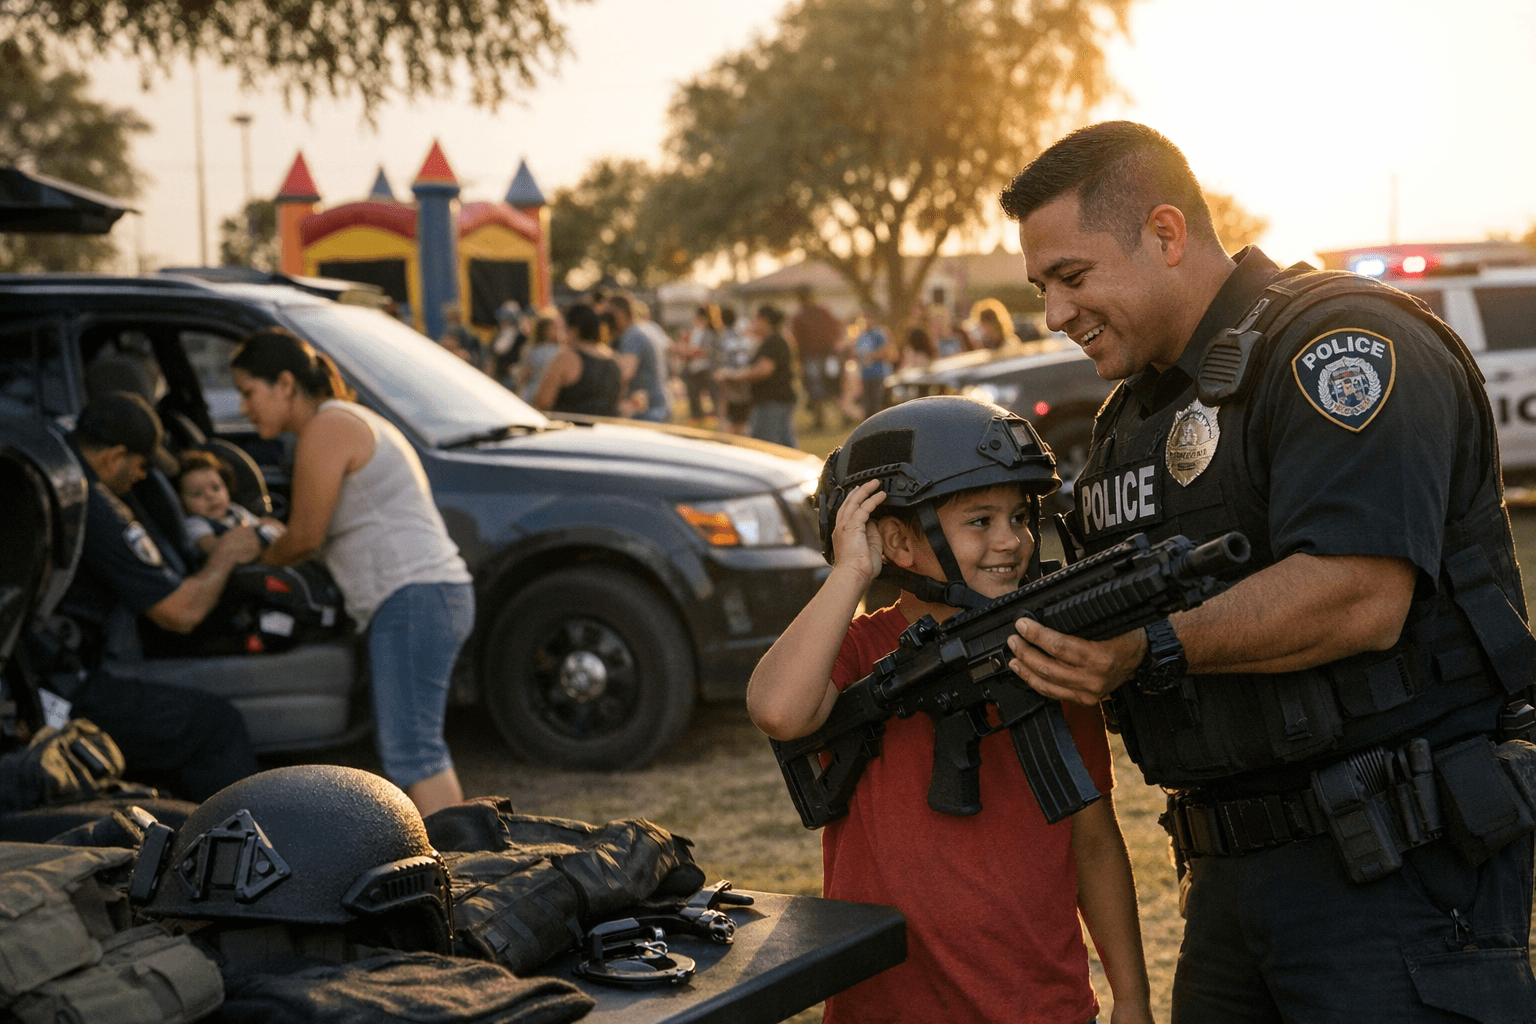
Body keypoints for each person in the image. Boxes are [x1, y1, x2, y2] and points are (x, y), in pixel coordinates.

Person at [999, 121, 1536, 1022]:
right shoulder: (1137, 415)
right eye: (1041, 286)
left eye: (1073, 276)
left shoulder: (1342, 344)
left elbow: (1359, 594)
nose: (1055, 314)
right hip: (1227, 880)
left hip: (1394, 872)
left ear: (1166, 235)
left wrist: (1148, 650)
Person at [747, 397, 1152, 1024]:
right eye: (979, 520)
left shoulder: (1051, 651)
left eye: (1019, 516)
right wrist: (851, 571)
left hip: (1038, 1004)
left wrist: (1132, 998)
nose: (1011, 541)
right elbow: (778, 710)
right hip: (885, 1004)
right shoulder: (860, 649)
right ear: (899, 541)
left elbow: (1094, 843)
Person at [230, 330, 475, 817]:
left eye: (248, 392)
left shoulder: (327, 427)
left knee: (415, 754)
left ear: (284, 384)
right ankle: (464, 861)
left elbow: (305, 538)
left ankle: (466, 870)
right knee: (417, 747)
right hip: (426, 595)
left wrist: (248, 555)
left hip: (414, 596)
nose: (243, 407)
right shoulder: (341, 423)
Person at [47, 391, 260, 800]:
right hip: (60, 693)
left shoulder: (59, 459)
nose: (143, 477)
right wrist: (227, 555)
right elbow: (180, 612)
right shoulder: (92, 503)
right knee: (216, 727)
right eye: (141, 465)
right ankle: (234, 855)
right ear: (114, 457)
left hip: (48, 673)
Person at [176, 450, 285, 556]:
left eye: (216, 488)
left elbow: (257, 523)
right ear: (182, 502)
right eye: (197, 494)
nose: (210, 496)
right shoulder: (195, 523)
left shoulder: (234, 510)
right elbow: (212, 547)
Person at [718, 304, 798, 448]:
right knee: (785, 445)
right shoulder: (774, 339)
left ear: (764, 321)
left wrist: (734, 377)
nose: (753, 323)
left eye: (755, 319)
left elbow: (763, 370)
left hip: (772, 401)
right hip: (776, 400)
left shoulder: (773, 341)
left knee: (765, 446)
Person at [533, 303, 623, 418]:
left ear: (573, 331)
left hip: (572, 432)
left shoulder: (566, 358)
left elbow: (542, 402)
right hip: (606, 431)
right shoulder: (614, 359)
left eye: (563, 329)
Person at [608, 294, 673, 423]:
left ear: (619, 314)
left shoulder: (632, 336)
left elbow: (625, 374)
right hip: (655, 407)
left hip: (649, 412)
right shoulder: (638, 332)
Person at [789, 286, 844, 429]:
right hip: (824, 355)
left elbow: (797, 341)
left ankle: (824, 419)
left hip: (814, 357)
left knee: (818, 388)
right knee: (828, 387)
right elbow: (837, 328)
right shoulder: (821, 312)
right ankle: (827, 419)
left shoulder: (803, 316)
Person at [715, 305, 755, 435]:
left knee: (728, 416)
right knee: (742, 417)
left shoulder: (723, 337)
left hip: (729, 378)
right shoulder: (743, 336)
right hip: (745, 378)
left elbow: (721, 362)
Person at [852, 308, 895, 421]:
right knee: (868, 403)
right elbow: (856, 352)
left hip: (880, 373)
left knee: (879, 402)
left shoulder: (880, 333)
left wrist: (873, 356)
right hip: (866, 374)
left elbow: (888, 349)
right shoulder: (861, 335)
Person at [682, 304, 722, 426]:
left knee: (713, 396)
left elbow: (705, 351)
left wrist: (687, 351)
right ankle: (697, 417)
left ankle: (716, 417)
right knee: (694, 395)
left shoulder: (710, 332)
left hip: (707, 369)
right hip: (695, 368)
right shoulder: (697, 331)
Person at [515, 313, 564, 405]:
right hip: (532, 391)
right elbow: (525, 373)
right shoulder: (532, 349)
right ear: (544, 330)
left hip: (551, 394)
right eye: (554, 329)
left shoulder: (561, 350)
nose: (557, 332)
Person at [437, 301, 485, 371]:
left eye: (455, 317)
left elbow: (480, 357)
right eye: (450, 318)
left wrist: (468, 356)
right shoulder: (445, 335)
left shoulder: (469, 337)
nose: (452, 321)